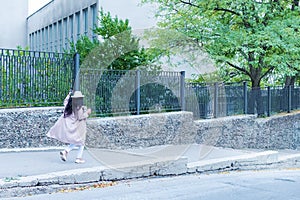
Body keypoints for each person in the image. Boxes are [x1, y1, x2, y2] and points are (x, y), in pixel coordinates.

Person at [47, 90, 92, 164]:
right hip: (79, 126)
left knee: (78, 141)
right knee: (81, 141)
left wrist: (69, 94)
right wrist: (87, 113)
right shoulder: (78, 107)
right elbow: (80, 117)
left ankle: (67, 151)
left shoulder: (69, 105)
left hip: (71, 125)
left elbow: (65, 101)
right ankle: (77, 157)